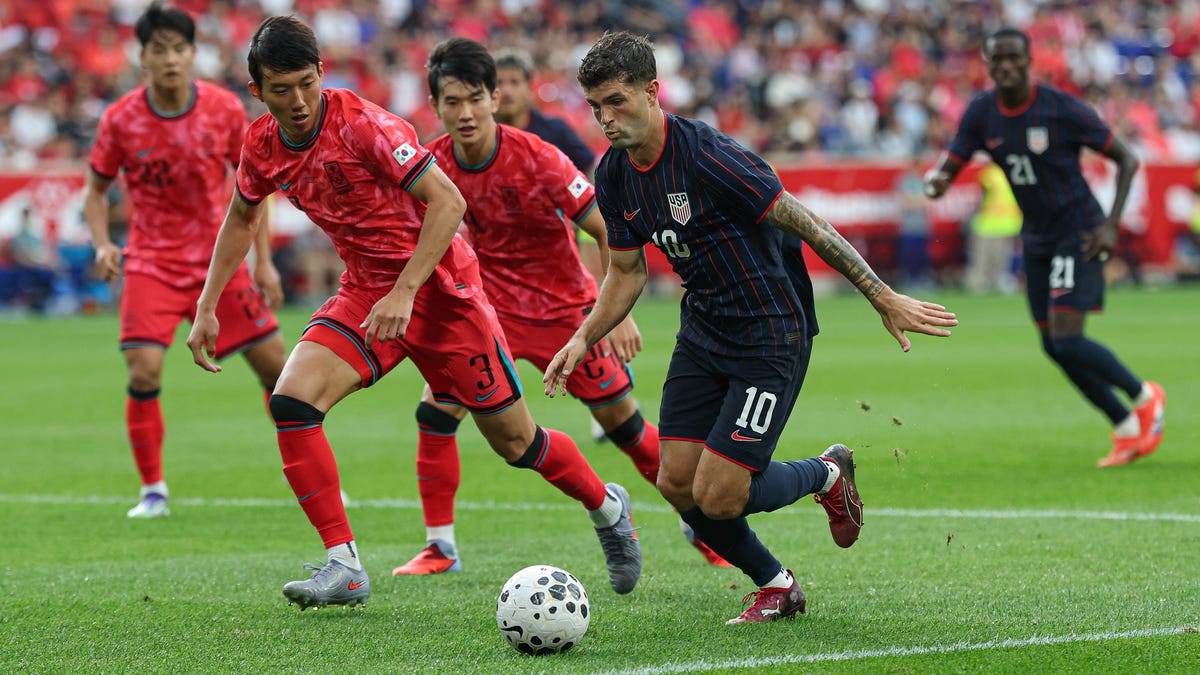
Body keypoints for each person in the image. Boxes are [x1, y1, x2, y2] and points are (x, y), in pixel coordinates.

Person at [185, 16, 641, 610]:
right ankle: (343, 565)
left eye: (305, 83)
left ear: (322, 72)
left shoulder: (367, 126)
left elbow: (447, 202)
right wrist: (207, 304)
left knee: (517, 444)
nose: (297, 101)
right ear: (258, 92)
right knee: (293, 402)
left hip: (445, 296)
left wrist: (406, 290)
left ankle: (606, 506)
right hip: (368, 295)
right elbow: (242, 219)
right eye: (280, 89)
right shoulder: (262, 144)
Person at [544, 31, 958, 625]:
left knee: (719, 495)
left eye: (616, 101)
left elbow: (807, 223)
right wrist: (585, 335)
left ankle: (828, 471)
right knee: (675, 482)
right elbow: (627, 271)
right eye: (596, 108)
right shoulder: (613, 174)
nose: (606, 119)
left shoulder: (710, 156)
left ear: (653, 92)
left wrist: (881, 295)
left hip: (770, 332)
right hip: (703, 329)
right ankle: (777, 585)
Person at [390, 37, 726, 577]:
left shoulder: (538, 157)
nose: (465, 112)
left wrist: (614, 311)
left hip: (561, 312)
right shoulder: (431, 166)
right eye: (452, 102)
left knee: (625, 427)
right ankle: (440, 547)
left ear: (495, 98)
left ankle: (699, 521)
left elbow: (604, 229)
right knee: (435, 413)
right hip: (486, 315)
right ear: (436, 107)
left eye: (475, 98)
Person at [924, 27, 1166, 468]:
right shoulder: (982, 112)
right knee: (1053, 346)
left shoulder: (1060, 108)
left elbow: (1127, 158)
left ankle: (1145, 396)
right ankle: (1127, 427)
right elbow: (954, 157)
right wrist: (939, 179)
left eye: (1014, 58)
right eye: (998, 59)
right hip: (1036, 236)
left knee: (1069, 340)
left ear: (1029, 60)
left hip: (1079, 231)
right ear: (988, 63)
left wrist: (1111, 225)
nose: (1007, 66)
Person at [82, 3, 287, 519]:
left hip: (218, 260)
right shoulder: (120, 118)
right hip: (150, 261)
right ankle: (153, 490)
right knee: (144, 370)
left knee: (280, 371)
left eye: (180, 49)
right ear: (143, 56)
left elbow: (253, 190)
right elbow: (95, 189)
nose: (171, 59)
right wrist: (104, 242)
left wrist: (264, 262)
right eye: (160, 50)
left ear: (194, 54)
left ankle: (305, 470)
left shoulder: (222, 110)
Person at [964, 163, 1022, 294]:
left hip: (1008, 222)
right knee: (985, 257)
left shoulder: (1008, 173)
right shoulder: (990, 173)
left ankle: (997, 281)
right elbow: (980, 196)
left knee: (1001, 257)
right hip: (989, 223)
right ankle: (979, 283)